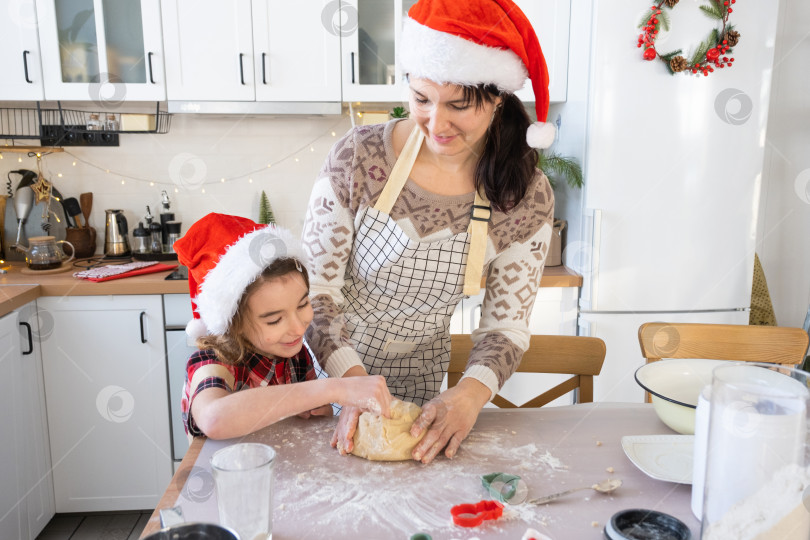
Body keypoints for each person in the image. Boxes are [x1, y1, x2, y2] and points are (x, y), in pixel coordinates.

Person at [302, 0, 556, 464]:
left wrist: (470, 396)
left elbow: (506, 326)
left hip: (424, 383)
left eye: (459, 105)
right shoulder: (359, 158)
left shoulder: (526, 194)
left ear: (497, 97)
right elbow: (316, 293)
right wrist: (349, 381)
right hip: (327, 378)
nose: (437, 124)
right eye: (421, 99)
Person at [174, 213, 392, 440]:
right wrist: (334, 388)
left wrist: (318, 410)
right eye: (275, 320)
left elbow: (309, 419)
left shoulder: (295, 357)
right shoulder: (214, 361)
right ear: (234, 325)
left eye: (303, 304)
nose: (298, 329)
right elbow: (214, 419)